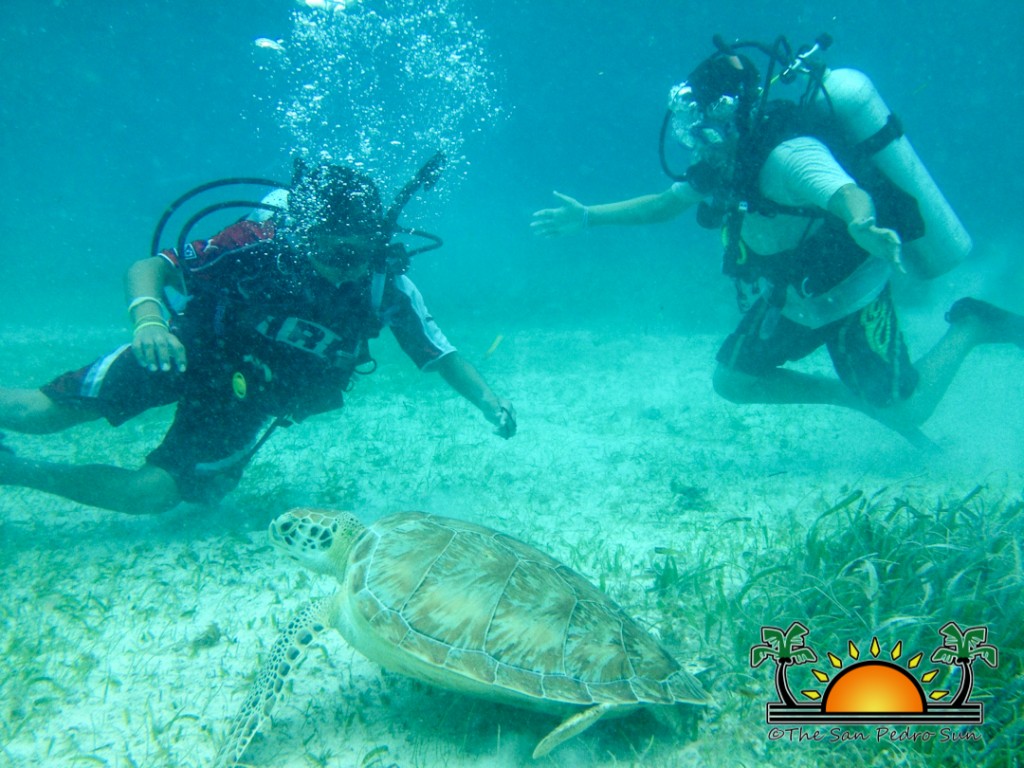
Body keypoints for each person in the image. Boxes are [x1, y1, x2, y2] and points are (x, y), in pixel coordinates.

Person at [532, 45, 1023, 447]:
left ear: (728, 116)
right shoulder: (723, 164)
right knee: (734, 380)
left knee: (908, 410)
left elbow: (844, 192)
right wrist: (588, 216)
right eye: (688, 124)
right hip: (794, 298)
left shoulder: (790, 155)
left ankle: (972, 326)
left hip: (852, 290)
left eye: (700, 123)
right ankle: (856, 399)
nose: (694, 139)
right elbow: (663, 205)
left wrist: (861, 225)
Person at [0, 162, 515, 513]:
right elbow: (151, 268)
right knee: (40, 412)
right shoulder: (257, 245)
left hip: (246, 401)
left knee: (152, 494)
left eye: (357, 254)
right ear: (303, 235)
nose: (344, 268)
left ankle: (14, 471)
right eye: (331, 252)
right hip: (185, 351)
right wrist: (149, 321)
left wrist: (489, 401)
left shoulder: (387, 288)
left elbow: (442, 355)